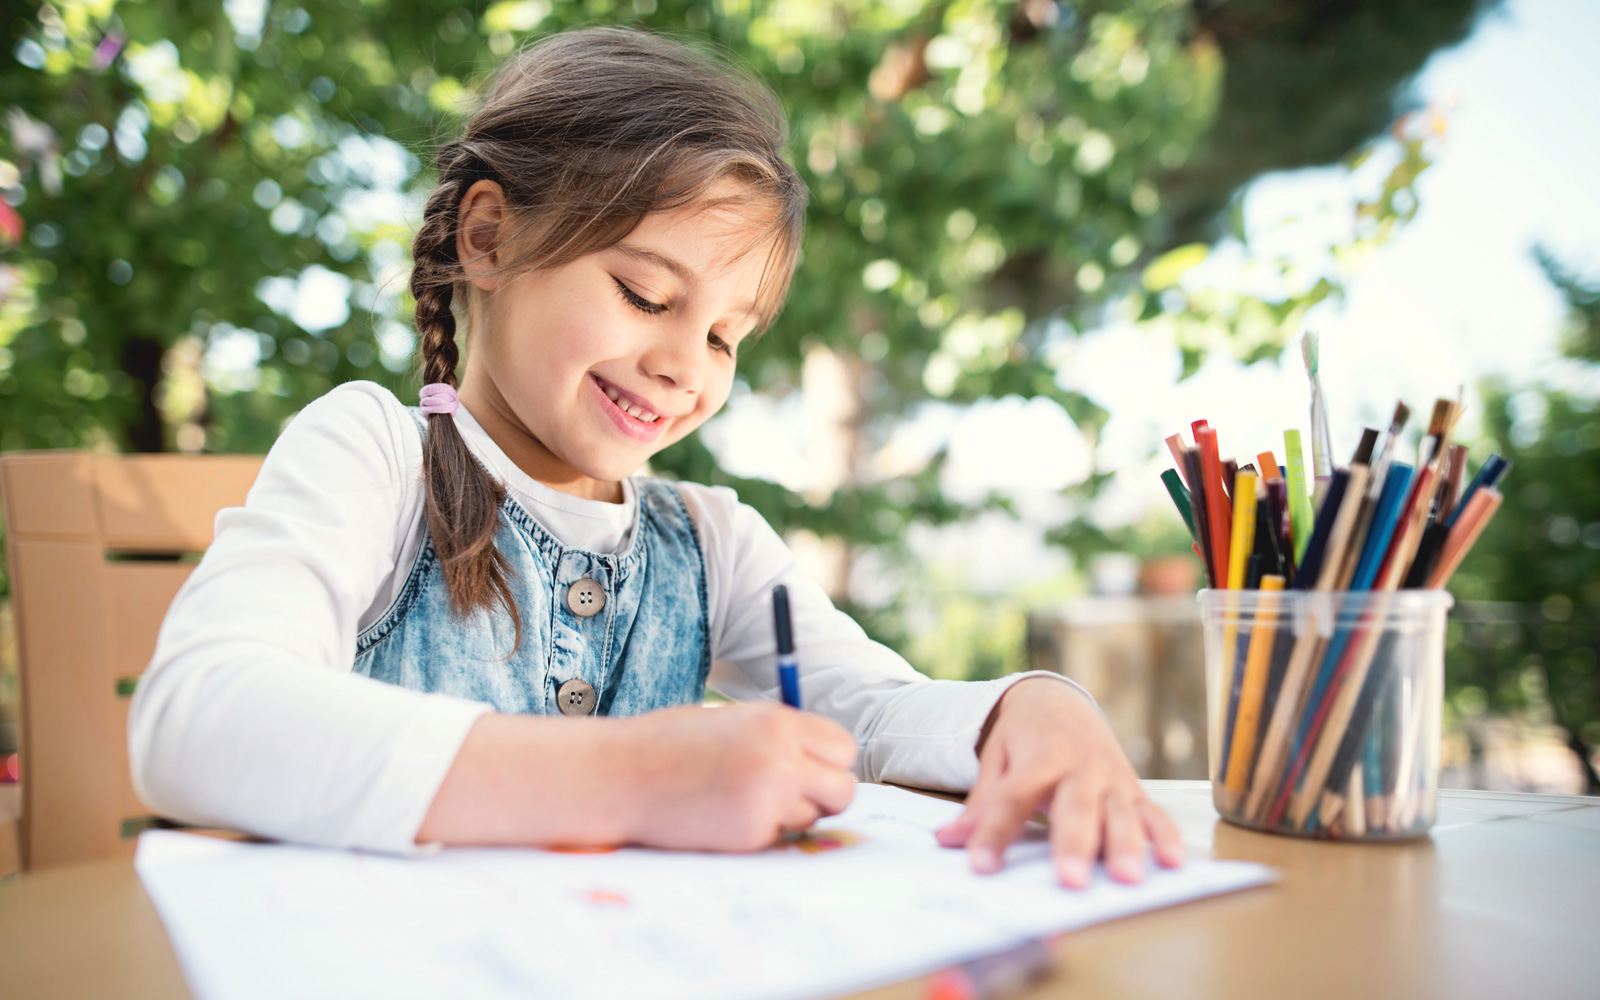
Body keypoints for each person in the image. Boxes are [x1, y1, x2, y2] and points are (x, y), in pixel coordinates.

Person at [129, 26, 1182, 888]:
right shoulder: (373, 452)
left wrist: (1036, 706)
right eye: (645, 294)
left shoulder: (710, 540)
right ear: (489, 239)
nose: (686, 364)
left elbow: (874, 711)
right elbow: (197, 717)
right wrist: (628, 775)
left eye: (726, 335)